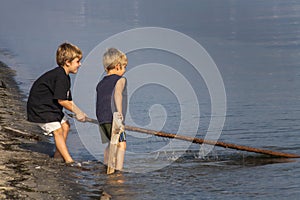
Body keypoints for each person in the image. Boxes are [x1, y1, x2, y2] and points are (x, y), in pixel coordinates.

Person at [27, 42, 87, 164]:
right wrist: (78, 112)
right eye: (77, 62)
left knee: (65, 125)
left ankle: (58, 155)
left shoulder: (64, 76)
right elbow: (63, 101)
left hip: (51, 107)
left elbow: (68, 100)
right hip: (41, 109)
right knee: (58, 131)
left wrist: (80, 113)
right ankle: (69, 160)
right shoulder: (60, 77)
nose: (80, 64)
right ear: (67, 62)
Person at [96, 48, 127, 171]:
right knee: (121, 145)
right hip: (114, 118)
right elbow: (117, 94)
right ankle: (118, 171)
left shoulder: (101, 83)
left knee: (110, 144)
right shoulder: (121, 80)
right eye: (124, 67)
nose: (124, 70)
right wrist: (119, 112)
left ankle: (107, 166)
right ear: (118, 66)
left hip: (102, 118)